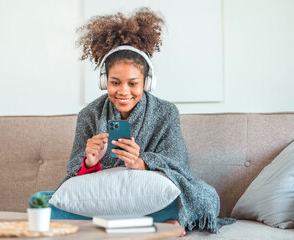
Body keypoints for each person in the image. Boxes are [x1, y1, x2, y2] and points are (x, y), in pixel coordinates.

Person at [31, 7, 235, 235]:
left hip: (150, 197)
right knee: (40, 201)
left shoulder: (166, 112)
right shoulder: (89, 114)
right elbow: (72, 174)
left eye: (133, 83)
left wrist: (141, 163)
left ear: (147, 82)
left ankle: (139, 221)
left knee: (205, 195)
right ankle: (158, 223)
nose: (123, 92)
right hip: (100, 198)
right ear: (103, 82)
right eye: (115, 82)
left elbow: (179, 168)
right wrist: (90, 162)